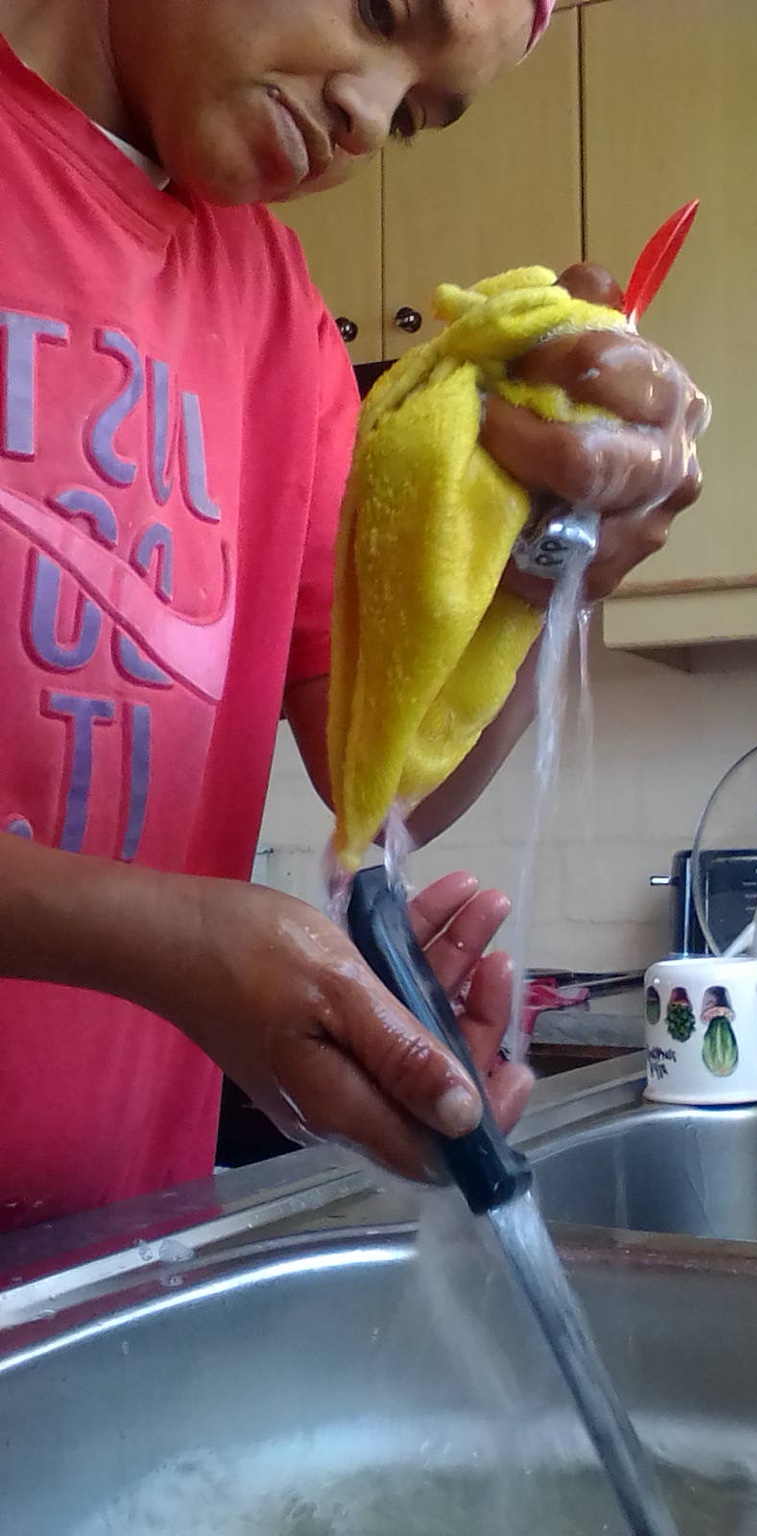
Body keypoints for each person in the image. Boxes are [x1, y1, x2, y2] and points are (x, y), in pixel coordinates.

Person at [0, 0, 707, 1231]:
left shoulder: (277, 311)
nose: (371, 118)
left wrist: (548, 568)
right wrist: (183, 949)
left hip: (105, 1256)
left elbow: (387, 771)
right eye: (381, 12)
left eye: (423, 117)